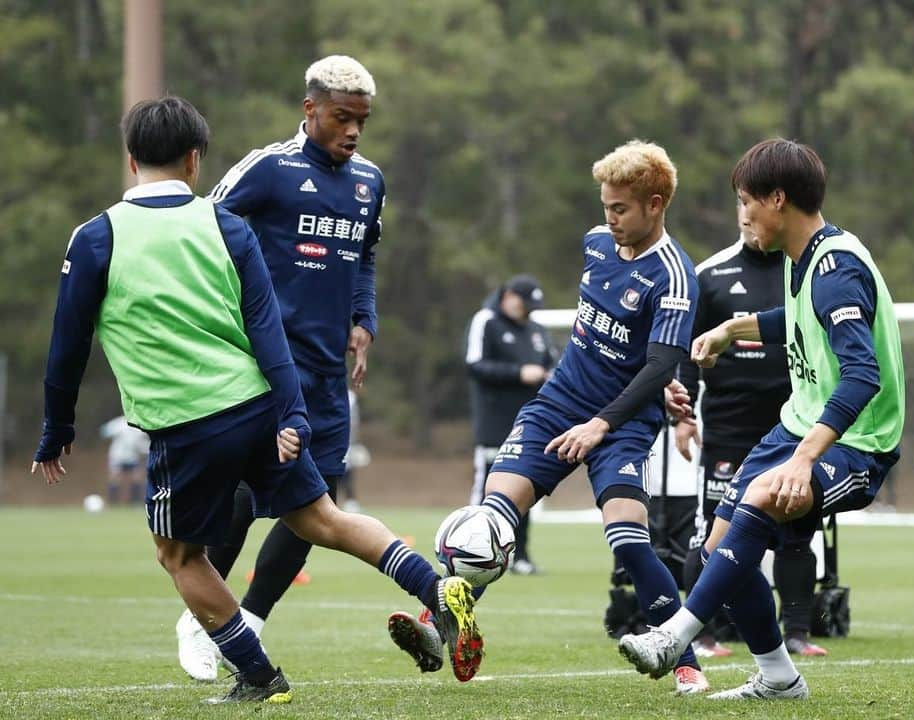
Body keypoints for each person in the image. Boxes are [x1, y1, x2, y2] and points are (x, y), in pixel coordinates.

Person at [32, 96, 481, 703]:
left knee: (179, 555)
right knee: (324, 519)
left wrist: (57, 427)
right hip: (258, 403)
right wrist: (292, 411)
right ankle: (436, 589)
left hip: (185, 421)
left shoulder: (96, 237)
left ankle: (259, 676)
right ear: (195, 160)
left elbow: (67, 346)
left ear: (131, 157)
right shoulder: (226, 226)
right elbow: (267, 331)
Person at [388, 140, 710, 693]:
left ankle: (683, 660)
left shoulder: (674, 276)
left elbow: (658, 365)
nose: (608, 220)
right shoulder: (596, 244)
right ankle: (439, 626)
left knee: (630, 540)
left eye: (620, 209)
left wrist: (606, 422)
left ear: (656, 204)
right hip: (558, 405)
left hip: (622, 425)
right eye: (604, 206)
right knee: (491, 521)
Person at [619, 138, 905, 701]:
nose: (742, 215)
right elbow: (796, 322)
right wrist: (732, 330)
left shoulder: (835, 268)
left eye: (748, 201)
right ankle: (777, 676)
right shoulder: (806, 260)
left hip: (858, 441)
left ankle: (674, 636)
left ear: (778, 199)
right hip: (797, 424)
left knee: (761, 499)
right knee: (712, 551)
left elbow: (862, 376)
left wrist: (804, 460)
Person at [173, 55, 392, 681]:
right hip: (265, 366)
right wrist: (224, 316)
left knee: (315, 506)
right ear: (310, 109)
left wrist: (362, 318)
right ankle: (201, 618)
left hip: (326, 373)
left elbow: (365, 256)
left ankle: (250, 623)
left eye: (362, 121)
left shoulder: (369, 181)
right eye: (341, 118)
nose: (352, 131)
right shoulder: (269, 169)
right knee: (246, 493)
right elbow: (201, 228)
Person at [675, 229, 828, 658]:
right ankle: (702, 633)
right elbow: (688, 349)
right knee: (714, 531)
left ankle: (796, 631)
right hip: (728, 426)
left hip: (794, 425)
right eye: (742, 207)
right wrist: (684, 418)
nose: (750, 217)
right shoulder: (710, 274)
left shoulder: (804, 270)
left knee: (798, 530)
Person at [465, 274, 556, 575]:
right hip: (493, 424)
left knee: (524, 490)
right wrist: (519, 373)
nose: (527, 310)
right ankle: (470, 552)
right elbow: (475, 365)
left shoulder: (537, 330)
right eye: (523, 303)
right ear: (507, 296)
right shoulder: (486, 321)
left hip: (528, 425)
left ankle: (520, 556)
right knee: (486, 491)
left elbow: (551, 363)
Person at [100, 415, 150, 505]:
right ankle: (113, 503)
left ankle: (135, 502)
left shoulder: (140, 425)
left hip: (131, 457)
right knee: (115, 479)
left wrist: (148, 449)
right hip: (118, 456)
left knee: (136, 478)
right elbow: (104, 431)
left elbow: (142, 443)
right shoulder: (120, 423)